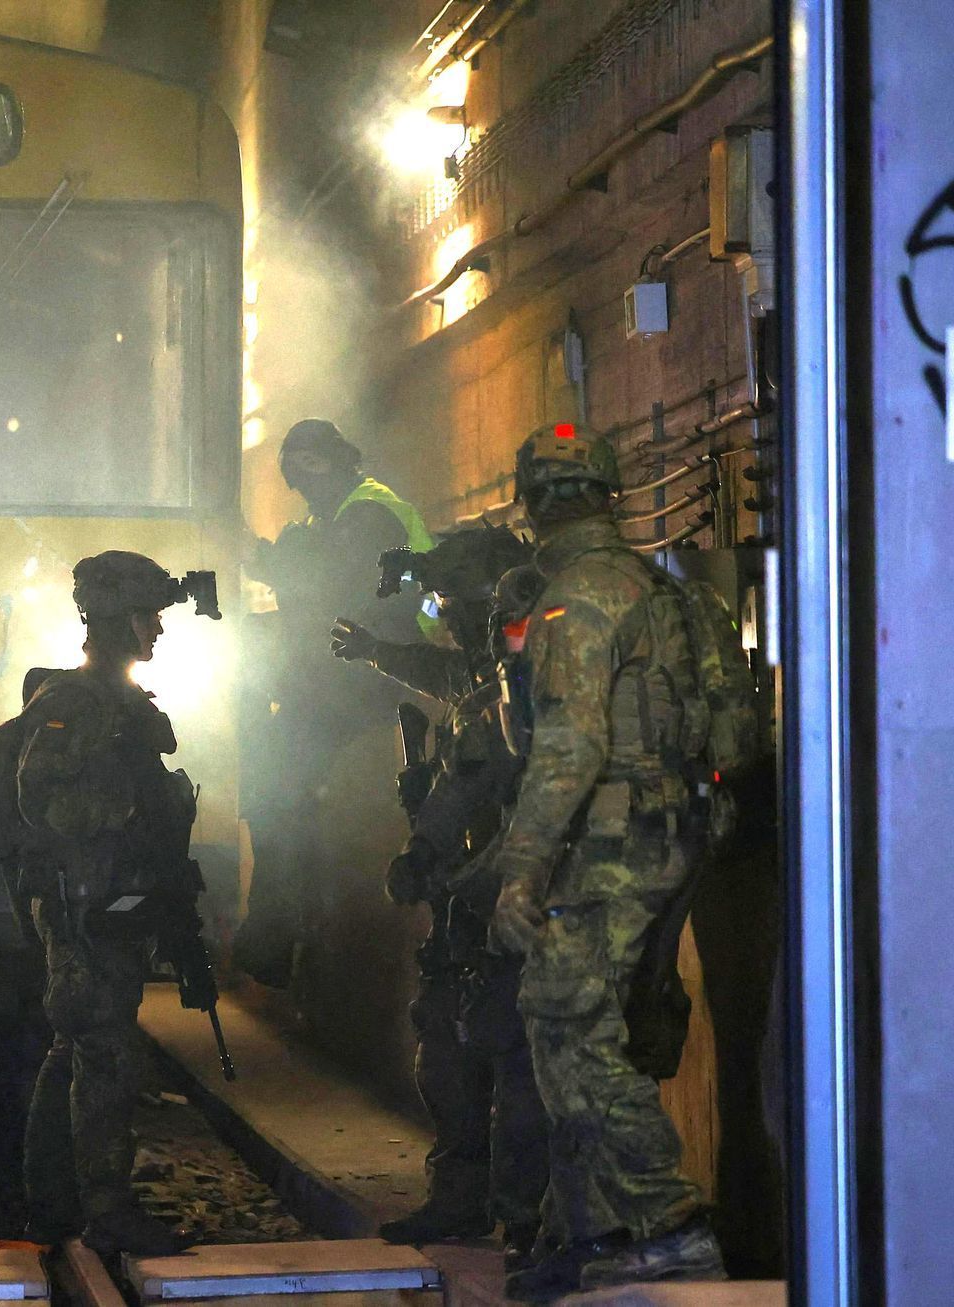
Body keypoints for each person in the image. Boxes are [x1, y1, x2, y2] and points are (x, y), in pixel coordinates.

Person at [490, 423, 727, 1299]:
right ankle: (586, 1229)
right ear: (610, 492)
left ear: (530, 502)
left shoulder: (576, 598)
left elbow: (569, 742)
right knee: (584, 1020)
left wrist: (520, 865)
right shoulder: (653, 587)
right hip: (668, 833)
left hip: (611, 841)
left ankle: (665, 1225)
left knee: (568, 1023)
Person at [328, 526, 552, 1267]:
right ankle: (458, 1197)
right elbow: (446, 706)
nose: (452, 621)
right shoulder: (483, 683)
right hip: (468, 899)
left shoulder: (548, 686)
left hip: (526, 900)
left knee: (521, 1063)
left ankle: (525, 1216)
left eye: (462, 607)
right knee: (447, 1051)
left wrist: (461, 872)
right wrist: (425, 851)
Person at [15, 551, 211, 1256]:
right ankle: (104, 1208)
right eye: (148, 617)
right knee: (103, 1054)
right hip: (85, 904)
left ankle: (53, 1205)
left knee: (77, 1048)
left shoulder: (118, 700)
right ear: (116, 620)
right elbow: (40, 800)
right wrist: (129, 811)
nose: (156, 631)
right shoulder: (75, 702)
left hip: (111, 901)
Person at [233, 419, 435, 988]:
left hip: (371, 677)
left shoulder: (370, 513)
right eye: (296, 477)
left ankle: (276, 932)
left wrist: (264, 555)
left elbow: (335, 585)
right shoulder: (333, 518)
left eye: (309, 471)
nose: (303, 486)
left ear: (333, 463)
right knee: (271, 769)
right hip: (349, 673)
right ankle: (277, 929)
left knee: (278, 778)